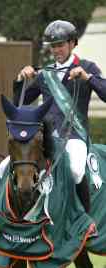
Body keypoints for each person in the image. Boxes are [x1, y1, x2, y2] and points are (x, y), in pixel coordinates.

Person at [13, 19, 106, 213]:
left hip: (74, 136)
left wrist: (88, 78)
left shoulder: (87, 67)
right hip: (46, 137)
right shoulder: (45, 73)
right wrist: (21, 80)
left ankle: (85, 219)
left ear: (72, 43)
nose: (56, 50)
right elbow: (19, 103)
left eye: (60, 45)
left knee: (76, 170)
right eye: (53, 46)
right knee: (9, 165)